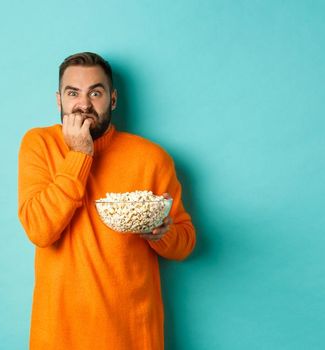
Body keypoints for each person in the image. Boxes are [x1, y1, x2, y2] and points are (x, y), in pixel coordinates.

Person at [17, 52, 196, 349]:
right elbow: (39, 230)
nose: (83, 104)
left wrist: (163, 234)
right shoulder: (39, 145)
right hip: (59, 336)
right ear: (59, 100)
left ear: (112, 100)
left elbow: (185, 242)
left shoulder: (151, 158)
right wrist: (80, 155)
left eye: (95, 93)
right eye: (72, 93)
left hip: (133, 335)